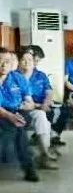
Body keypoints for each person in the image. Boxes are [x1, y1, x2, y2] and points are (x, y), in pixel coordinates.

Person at [12, 48, 60, 167]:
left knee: (43, 117)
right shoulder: (13, 76)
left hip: (37, 109)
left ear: (34, 62)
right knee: (42, 119)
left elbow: (49, 92)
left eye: (30, 60)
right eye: (23, 60)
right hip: (17, 112)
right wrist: (36, 105)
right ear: (18, 62)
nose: (27, 62)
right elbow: (20, 102)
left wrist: (44, 104)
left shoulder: (40, 75)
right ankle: (45, 153)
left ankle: (44, 154)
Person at [0, 48, 39, 181]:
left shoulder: (18, 78)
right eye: (0, 60)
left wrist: (24, 106)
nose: (4, 64)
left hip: (19, 112)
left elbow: (30, 102)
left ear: (11, 63)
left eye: (7, 61)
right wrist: (9, 116)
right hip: (3, 113)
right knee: (17, 129)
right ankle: (29, 169)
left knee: (15, 125)